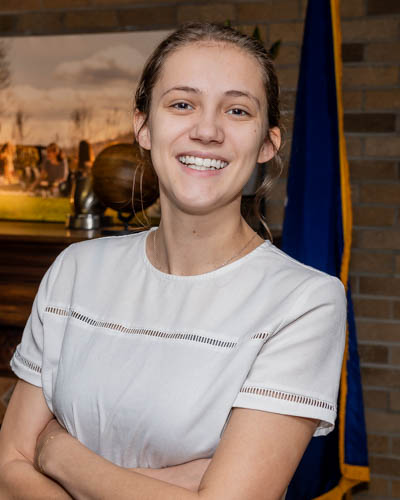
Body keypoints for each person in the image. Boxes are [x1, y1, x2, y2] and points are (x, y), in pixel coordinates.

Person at [0, 23, 346, 500]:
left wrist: (57, 453)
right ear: (143, 127)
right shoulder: (75, 270)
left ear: (268, 143)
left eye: (237, 110)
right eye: (182, 104)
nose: (207, 131)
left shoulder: (304, 302)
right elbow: (7, 469)